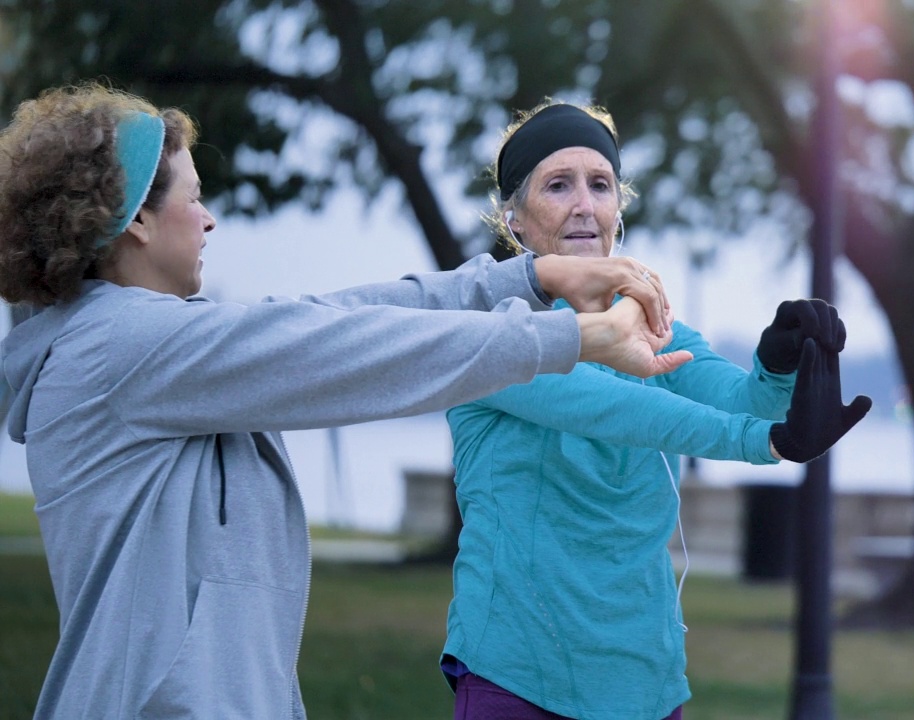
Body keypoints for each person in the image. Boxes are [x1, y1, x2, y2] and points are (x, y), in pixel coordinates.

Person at [0, 83, 693, 719]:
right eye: (193, 195)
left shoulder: (146, 346)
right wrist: (574, 336)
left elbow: (326, 316)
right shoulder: (127, 348)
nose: (209, 220)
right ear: (139, 223)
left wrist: (532, 275)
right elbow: (351, 348)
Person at [441, 100, 873, 720]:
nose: (584, 205)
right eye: (558, 186)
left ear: (620, 206)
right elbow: (611, 408)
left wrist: (776, 361)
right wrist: (769, 439)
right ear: (514, 217)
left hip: (644, 677)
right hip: (516, 671)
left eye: (600, 185)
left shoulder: (650, 323)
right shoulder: (491, 331)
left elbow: (733, 397)